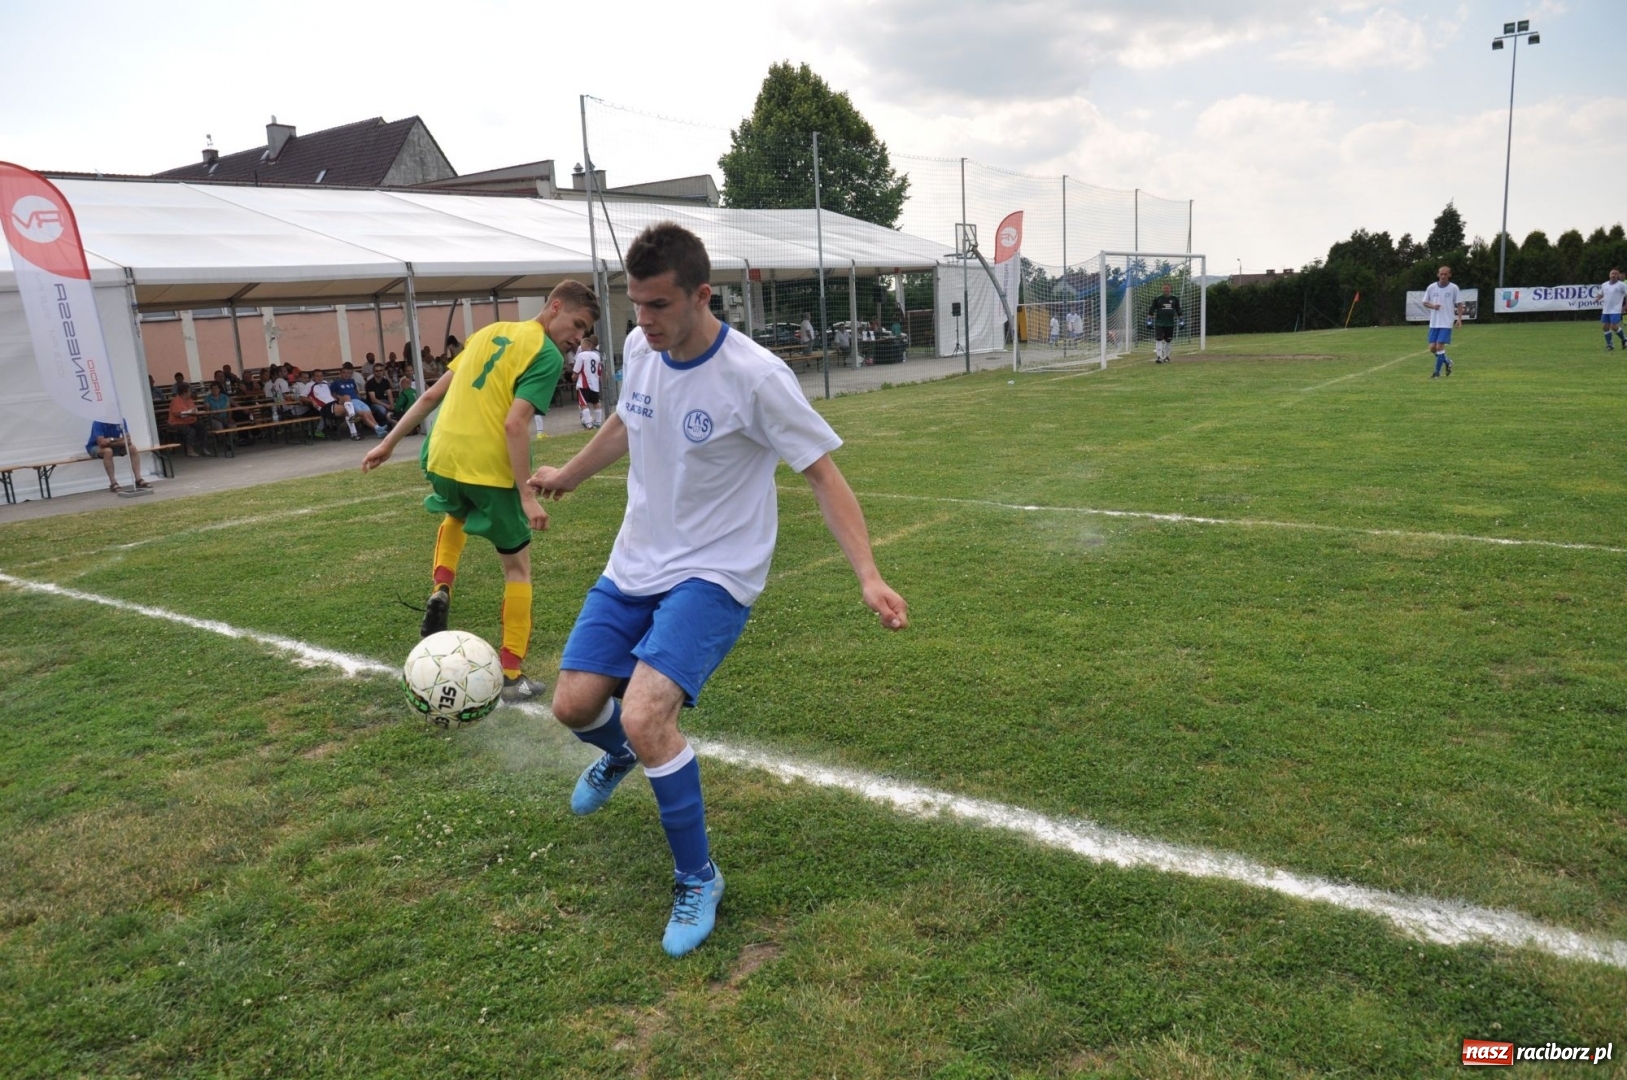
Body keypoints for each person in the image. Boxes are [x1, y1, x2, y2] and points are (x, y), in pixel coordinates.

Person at [528, 223, 909, 958]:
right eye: (634, 305)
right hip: (634, 560)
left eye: (658, 305)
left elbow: (822, 475)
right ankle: (618, 754)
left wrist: (867, 573)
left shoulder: (756, 376)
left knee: (645, 715)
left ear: (703, 296)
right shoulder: (642, 347)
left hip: (715, 571)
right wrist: (569, 474)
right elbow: (626, 421)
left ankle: (698, 876)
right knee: (574, 705)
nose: (642, 320)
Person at [361, 280, 599, 703]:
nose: (577, 338)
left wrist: (389, 442)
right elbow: (514, 424)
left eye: (583, 332)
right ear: (555, 307)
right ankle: (511, 675)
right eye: (577, 325)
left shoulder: (488, 332)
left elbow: (433, 393)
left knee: (455, 515)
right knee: (518, 569)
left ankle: (441, 587)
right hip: (488, 467)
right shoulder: (544, 354)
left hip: (443, 456)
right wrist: (526, 496)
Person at [86, 419, 150, 493]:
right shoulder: (98, 422)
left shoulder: (120, 420)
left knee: (132, 448)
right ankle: (113, 483)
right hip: (95, 447)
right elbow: (101, 443)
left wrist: (110, 440)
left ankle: (138, 479)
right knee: (108, 451)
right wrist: (120, 440)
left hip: (114, 445)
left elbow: (128, 440)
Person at [1423, 264, 1463, 378]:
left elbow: (1459, 304)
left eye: (1446, 274)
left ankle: (1436, 373)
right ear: (1438, 274)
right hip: (1434, 322)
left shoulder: (1453, 288)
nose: (1443, 276)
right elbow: (1425, 302)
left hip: (1446, 322)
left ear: (1449, 275)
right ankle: (1447, 361)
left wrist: (1459, 319)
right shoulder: (1431, 287)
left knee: (1440, 346)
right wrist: (1433, 306)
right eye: (1441, 274)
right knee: (1432, 348)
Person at [573, 333, 605, 429]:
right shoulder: (596, 356)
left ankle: (588, 424)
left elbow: (577, 370)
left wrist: (574, 375)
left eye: (582, 345)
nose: (580, 347)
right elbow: (599, 372)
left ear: (586, 345)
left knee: (583, 404)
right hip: (595, 384)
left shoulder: (581, 355)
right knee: (596, 403)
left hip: (584, 384)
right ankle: (598, 422)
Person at [1147, 283, 1182, 363]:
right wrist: (1149, 321)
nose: (1166, 290)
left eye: (1167, 288)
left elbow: (1178, 310)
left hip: (1170, 323)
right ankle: (1159, 357)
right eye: (1164, 288)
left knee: (1168, 340)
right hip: (1159, 323)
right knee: (1158, 338)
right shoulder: (1158, 298)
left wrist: (1181, 321)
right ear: (1162, 289)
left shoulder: (1174, 299)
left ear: (1170, 289)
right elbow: (1151, 310)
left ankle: (1166, 356)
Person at [167, 385, 206, 456]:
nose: (191, 392)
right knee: (190, 430)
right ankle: (190, 450)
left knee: (201, 427)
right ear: (184, 392)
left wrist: (193, 412)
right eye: (190, 391)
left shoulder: (190, 400)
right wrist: (189, 412)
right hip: (176, 423)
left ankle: (203, 447)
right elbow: (177, 414)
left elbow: (194, 409)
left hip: (189, 421)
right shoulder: (176, 400)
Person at [1599, 268, 1626, 351]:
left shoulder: (1621, 285)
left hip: (1616, 309)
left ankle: (1624, 339)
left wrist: (1625, 307)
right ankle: (1610, 345)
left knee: (1613, 326)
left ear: (1618, 275)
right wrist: (1598, 297)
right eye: (1612, 273)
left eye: (1615, 274)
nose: (1613, 275)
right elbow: (1601, 294)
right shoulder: (1604, 285)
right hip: (1606, 309)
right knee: (1605, 327)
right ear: (1609, 275)